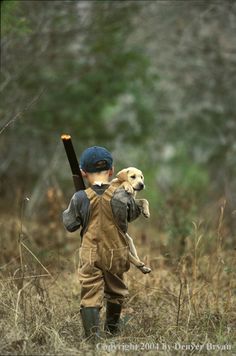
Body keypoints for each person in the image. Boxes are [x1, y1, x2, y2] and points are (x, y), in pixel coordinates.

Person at [62, 146, 141, 340]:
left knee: (90, 292)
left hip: (90, 254)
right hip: (117, 253)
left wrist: (78, 203)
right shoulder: (123, 195)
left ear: (83, 173)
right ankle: (112, 334)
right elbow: (133, 215)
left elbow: (70, 225)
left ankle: (92, 342)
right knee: (116, 291)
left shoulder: (80, 197)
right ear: (112, 171)